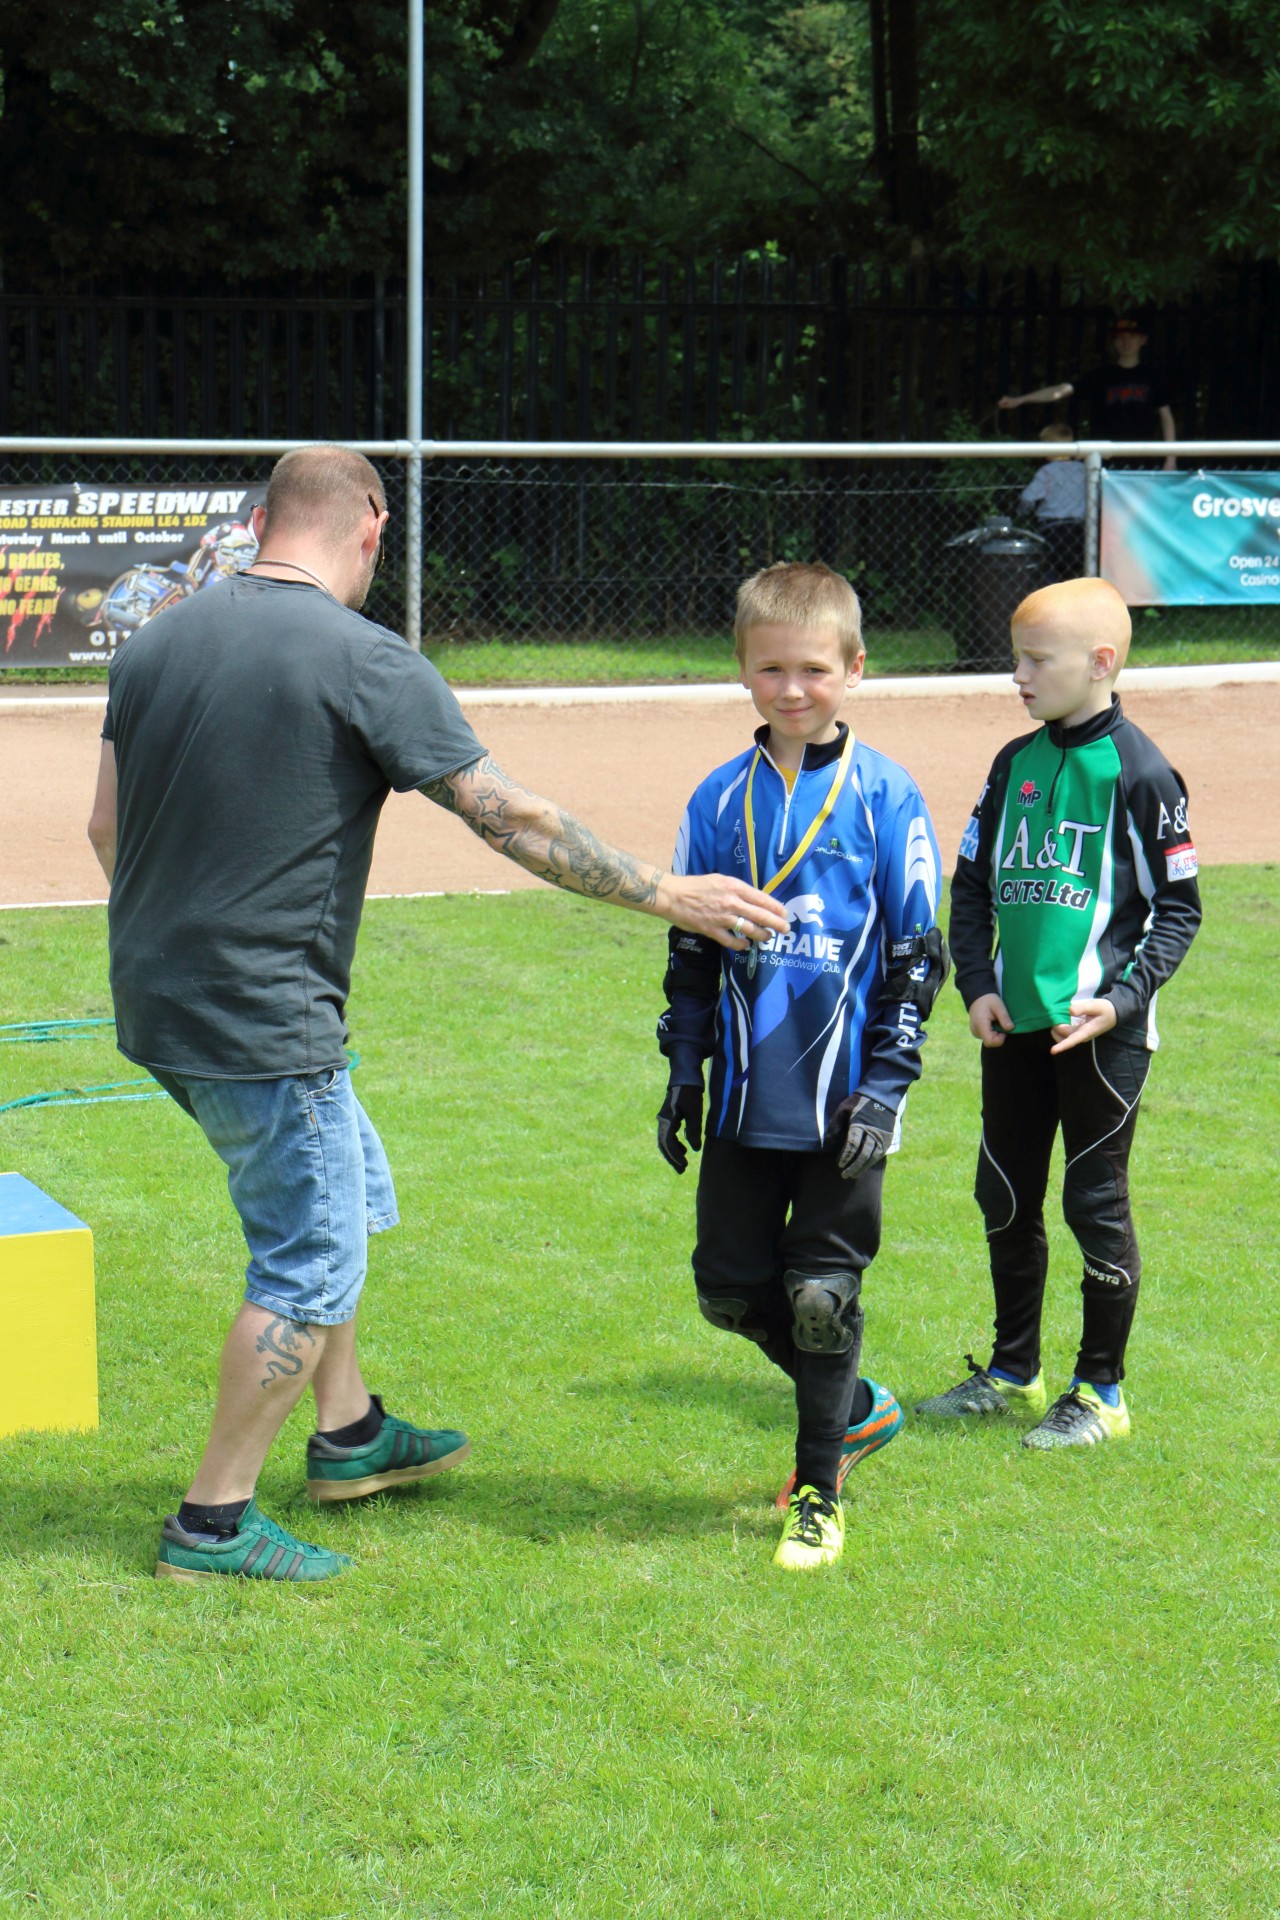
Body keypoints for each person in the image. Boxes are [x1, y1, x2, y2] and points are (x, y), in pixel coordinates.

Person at [86, 443, 788, 1585]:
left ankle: (350, 1432)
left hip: (159, 1000)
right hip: (264, 1019)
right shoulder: (365, 657)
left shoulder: (156, 642)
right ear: (371, 527)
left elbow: (106, 830)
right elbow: (508, 818)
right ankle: (211, 1525)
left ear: (262, 522)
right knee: (308, 1259)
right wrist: (670, 895)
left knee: (344, 1183)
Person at [655, 562, 948, 1570]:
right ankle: (856, 1405)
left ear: (854, 669)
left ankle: (818, 1491)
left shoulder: (884, 794)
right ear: (741, 669)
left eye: (814, 670)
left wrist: (887, 1087)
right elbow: (690, 949)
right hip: (746, 1099)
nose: (792, 689)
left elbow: (917, 955)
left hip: (845, 1104)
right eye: (771, 668)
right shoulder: (716, 797)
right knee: (730, 1293)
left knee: (821, 1297)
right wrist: (684, 1070)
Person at [918, 578, 1201, 1447]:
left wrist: (1120, 1002)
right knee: (1002, 1194)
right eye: (1018, 658)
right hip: (1013, 1024)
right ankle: (1013, 1373)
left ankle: (1101, 1393)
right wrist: (977, 983)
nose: (1019, 675)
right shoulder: (1013, 763)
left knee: (1093, 1203)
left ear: (1100, 662)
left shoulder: (1141, 772)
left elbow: (1179, 910)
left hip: (1099, 1034)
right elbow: (971, 884)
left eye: (1037, 660)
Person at [998, 315, 1177, 470]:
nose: (1126, 342)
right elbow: (1060, 391)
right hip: (1104, 461)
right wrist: (1021, 400)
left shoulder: (1153, 377)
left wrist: (1171, 458)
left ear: (1143, 340)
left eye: (1132, 336)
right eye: (1121, 337)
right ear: (1114, 341)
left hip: (1143, 460)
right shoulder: (1101, 375)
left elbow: (1166, 417)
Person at [1018, 424, 1086, 583]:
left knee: (1049, 569)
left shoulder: (1047, 472)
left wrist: (1022, 512)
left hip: (1051, 529)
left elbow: (1028, 498)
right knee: (1073, 573)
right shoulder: (1083, 470)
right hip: (1079, 529)